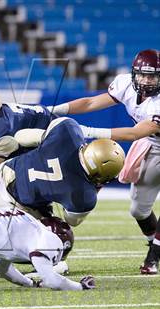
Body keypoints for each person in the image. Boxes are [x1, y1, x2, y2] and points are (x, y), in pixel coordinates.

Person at [48, 49, 160, 274]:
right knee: (139, 210)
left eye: (153, 76)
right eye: (143, 75)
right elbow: (90, 103)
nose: (147, 81)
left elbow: (134, 133)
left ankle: (154, 256)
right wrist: (54, 110)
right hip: (152, 148)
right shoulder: (125, 84)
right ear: (134, 74)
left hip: (144, 138)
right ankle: (153, 243)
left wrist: (89, 131)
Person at [0, 117, 125, 227]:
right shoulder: (83, 195)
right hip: (17, 204)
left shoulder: (68, 130)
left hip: (5, 170)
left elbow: (20, 136)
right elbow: (71, 221)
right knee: (59, 233)